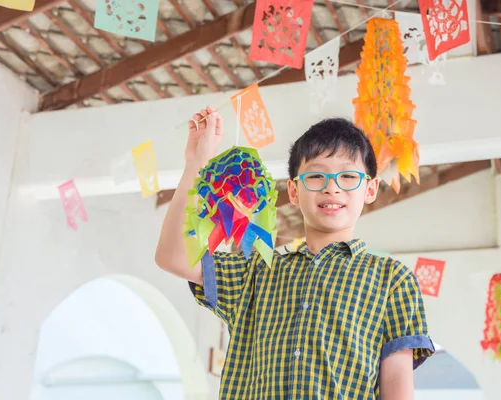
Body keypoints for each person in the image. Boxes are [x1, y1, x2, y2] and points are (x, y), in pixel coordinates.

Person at [155, 106, 435, 399]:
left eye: (349, 177)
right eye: (316, 176)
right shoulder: (255, 270)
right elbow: (172, 256)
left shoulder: (392, 279)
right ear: (292, 191)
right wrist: (196, 162)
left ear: (370, 189)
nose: (332, 188)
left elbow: (397, 388)